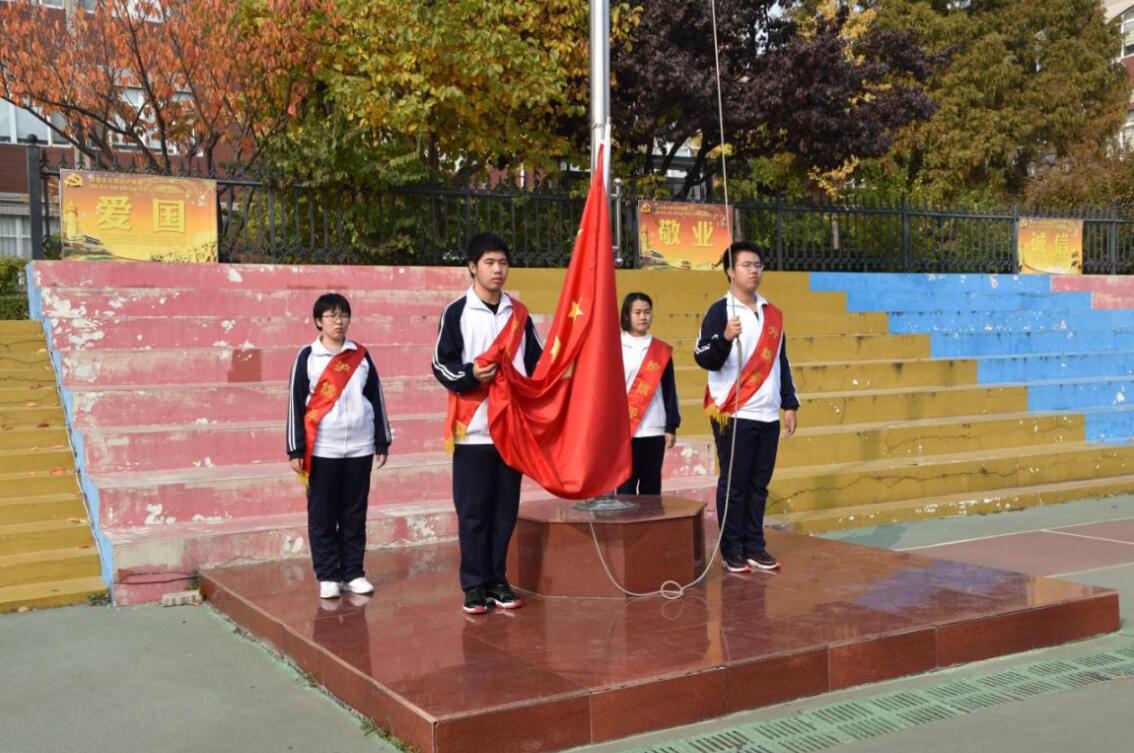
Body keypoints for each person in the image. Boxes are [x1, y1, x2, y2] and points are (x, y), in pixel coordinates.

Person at [432, 232, 543, 614]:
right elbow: (440, 364)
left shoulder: (520, 314)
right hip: (473, 429)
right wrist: (470, 374)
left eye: (503, 263)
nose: (498, 270)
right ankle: (474, 584)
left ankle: (498, 579)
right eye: (490, 263)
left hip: (512, 430)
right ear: (472, 267)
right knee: (474, 512)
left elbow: (539, 364)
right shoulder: (457, 312)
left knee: (504, 511)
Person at [694, 242, 799, 573]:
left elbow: (780, 361)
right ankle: (732, 548)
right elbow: (703, 357)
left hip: (767, 412)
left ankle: (755, 544)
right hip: (734, 411)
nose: (754, 270)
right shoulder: (720, 311)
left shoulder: (772, 313)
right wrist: (724, 337)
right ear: (730, 271)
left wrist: (789, 403)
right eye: (746, 265)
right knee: (735, 482)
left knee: (759, 484)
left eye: (758, 265)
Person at [287, 293, 391, 599]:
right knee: (322, 514)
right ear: (318, 321)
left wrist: (381, 440)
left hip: (359, 447)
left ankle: (353, 573)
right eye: (331, 316)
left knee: (354, 513)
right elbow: (295, 403)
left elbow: (376, 397)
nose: (338, 321)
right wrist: (295, 449)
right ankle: (328, 574)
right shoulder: (307, 356)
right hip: (322, 449)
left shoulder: (360, 355)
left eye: (343, 315)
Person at [616, 292, 680, 496]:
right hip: (624, 427)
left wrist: (671, 426)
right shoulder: (614, 346)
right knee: (625, 485)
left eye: (647, 312)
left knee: (651, 486)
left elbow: (669, 389)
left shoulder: (660, 350)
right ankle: (626, 528)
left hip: (654, 427)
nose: (643, 317)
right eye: (637, 312)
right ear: (627, 315)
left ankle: (649, 528)